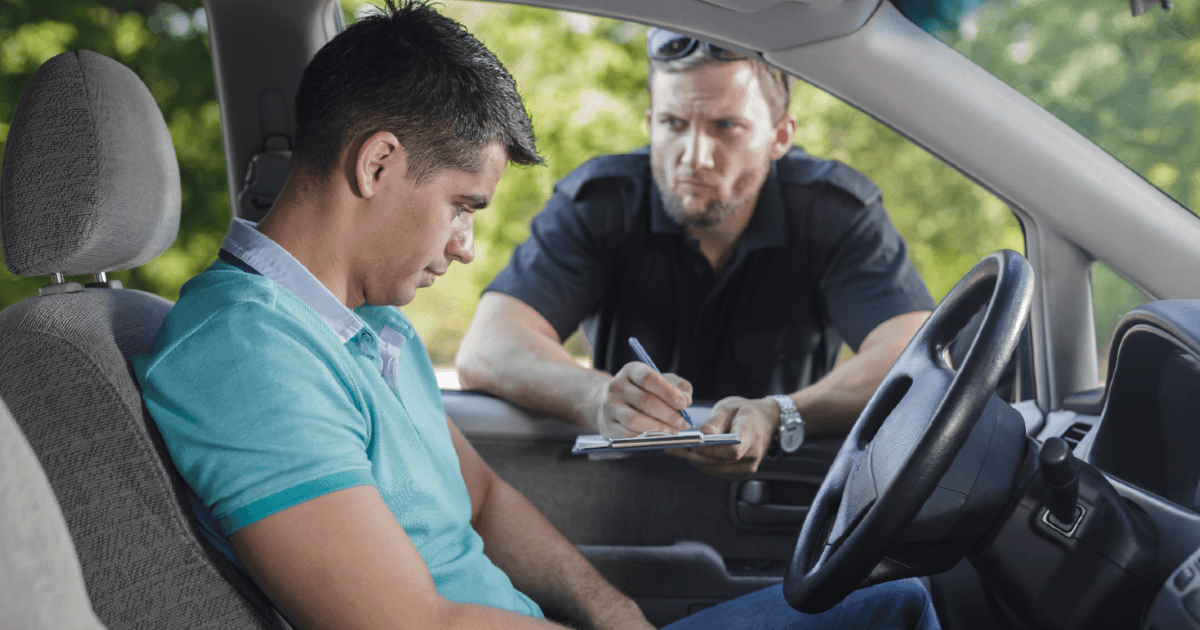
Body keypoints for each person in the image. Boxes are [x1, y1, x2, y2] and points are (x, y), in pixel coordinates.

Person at [134, 3, 939, 628]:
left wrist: (612, 610)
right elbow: (412, 624)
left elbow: (483, 498)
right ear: (377, 163)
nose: (465, 247)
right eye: (462, 206)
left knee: (899, 604)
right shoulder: (247, 351)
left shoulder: (371, 326)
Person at [456, 28, 935, 479]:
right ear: (651, 124)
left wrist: (780, 413)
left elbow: (914, 353)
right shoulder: (599, 204)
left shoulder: (834, 212)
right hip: (623, 491)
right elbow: (488, 346)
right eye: (674, 123)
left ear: (780, 136)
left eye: (726, 126)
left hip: (779, 495)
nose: (695, 155)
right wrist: (597, 396)